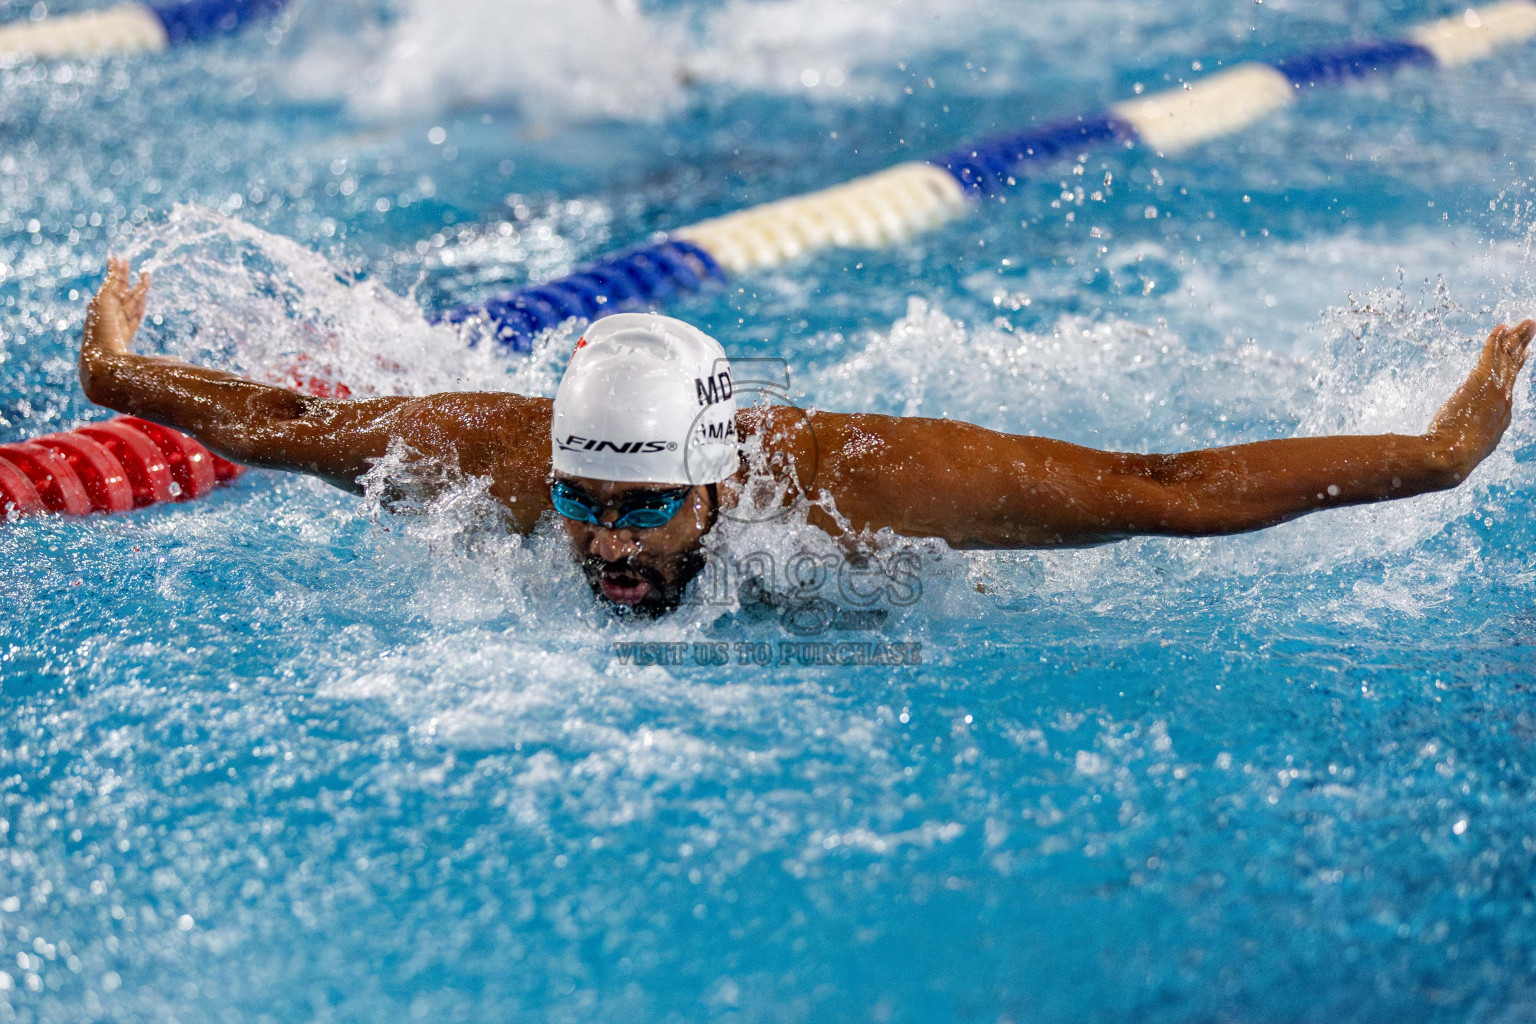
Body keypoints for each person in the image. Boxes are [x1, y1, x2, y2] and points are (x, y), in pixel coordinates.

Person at [80, 258, 1532, 616]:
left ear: (716, 482)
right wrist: (127, 380)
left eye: (641, 514)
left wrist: (1433, 452)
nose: (600, 543)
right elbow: (288, 427)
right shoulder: (503, 459)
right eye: (587, 504)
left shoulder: (857, 487)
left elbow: (1158, 489)